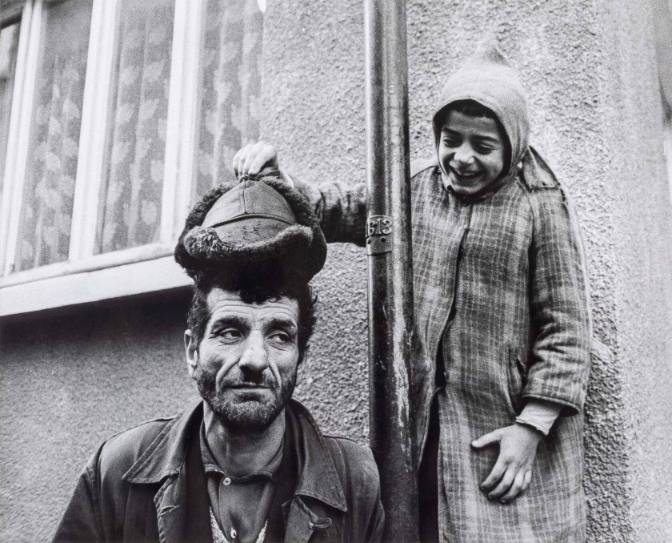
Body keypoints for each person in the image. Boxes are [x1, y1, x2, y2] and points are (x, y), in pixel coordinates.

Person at [235, 42, 592, 542]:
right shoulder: (414, 190)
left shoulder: (541, 206)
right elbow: (337, 210)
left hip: (503, 431)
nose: (462, 158)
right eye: (451, 139)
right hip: (425, 434)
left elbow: (566, 331)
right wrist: (276, 180)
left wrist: (531, 427)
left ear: (512, 145)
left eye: (483, 146)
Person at [53, 177, 384, 543]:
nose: (255, 359)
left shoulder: (356, 482)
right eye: (230, 332)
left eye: (279, 336)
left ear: (299, 356)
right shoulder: (116, 473)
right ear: (192, 351)